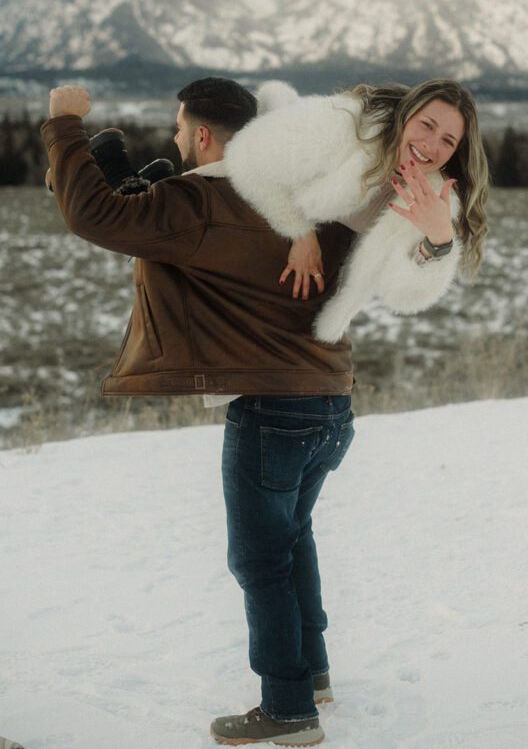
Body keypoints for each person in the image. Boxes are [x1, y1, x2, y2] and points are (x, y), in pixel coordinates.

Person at [41, 79, 356, 747]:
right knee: (291, 541)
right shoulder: (299, 202)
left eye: (181, 128)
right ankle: (314, 675)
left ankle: (289, 710)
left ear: (205, 135)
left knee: (260, 561)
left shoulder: (199, 198)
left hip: (270, 411)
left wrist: (65, 127)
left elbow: (94, 215)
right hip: (331, 405)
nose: (178, 139)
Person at [225, 78, 490, 341]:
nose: (430, 146)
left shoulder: (433, 197)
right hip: (251, 208)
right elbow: (244, 158)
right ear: (406, 116)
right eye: (426, 125)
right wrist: (300, 233)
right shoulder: (345, 125)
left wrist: (439, 240)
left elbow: (400, 297)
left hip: (306, 305)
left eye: (447, 141)